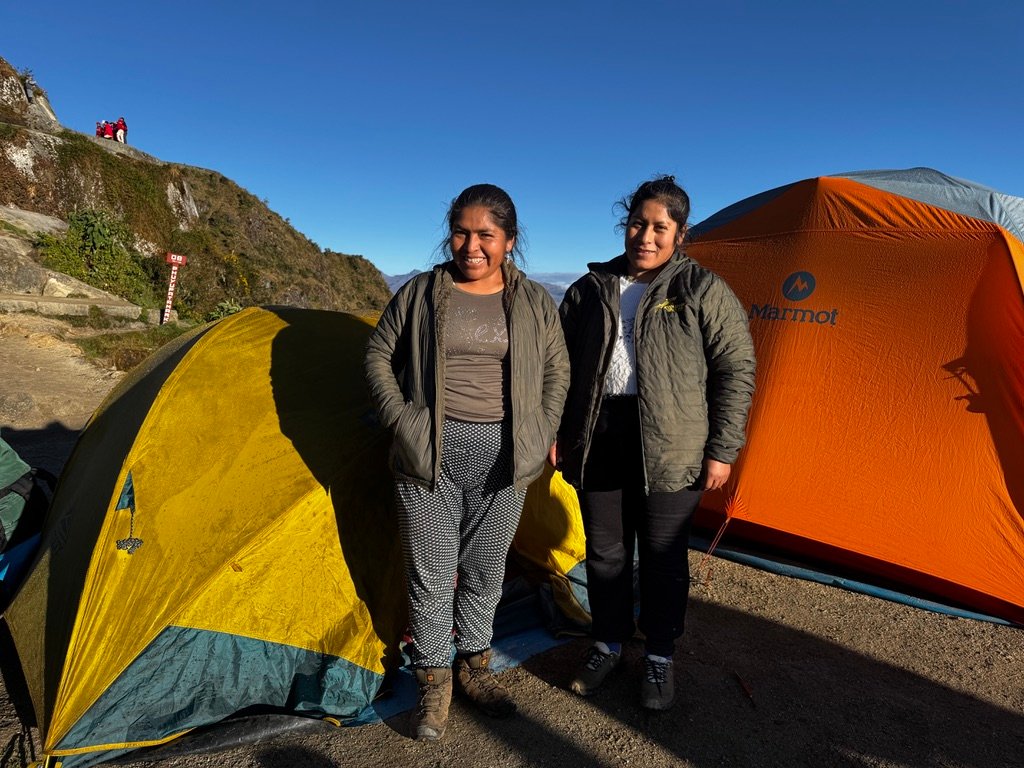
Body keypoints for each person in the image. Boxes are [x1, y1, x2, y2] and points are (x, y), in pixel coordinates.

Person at [365, 183, 569, 741]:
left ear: (509, 240)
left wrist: (541, 429)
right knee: (431, 572)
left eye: (486, 235)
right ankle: (434, 683)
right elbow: (379, 353)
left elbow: (557, 371)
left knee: (486, 567)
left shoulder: (531, 302)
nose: (471, 246)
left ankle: (473, 664)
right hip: (429, 448)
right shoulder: (423, 292)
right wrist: (401, 420)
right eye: (461, 232)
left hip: (506, 453)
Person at [554, 175, 755, 710]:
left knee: (664, 558)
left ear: (680, 233)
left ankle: (660, 656)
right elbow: (557, 369)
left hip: (673, 443)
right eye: (638, 223)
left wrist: (723, 449)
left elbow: (736, 368)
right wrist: (558, 432)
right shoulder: (588, 290)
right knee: (605, 553)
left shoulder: (700, 290)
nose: (646, 235)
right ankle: (608, 642)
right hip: (599, 437)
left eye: (659, 227)